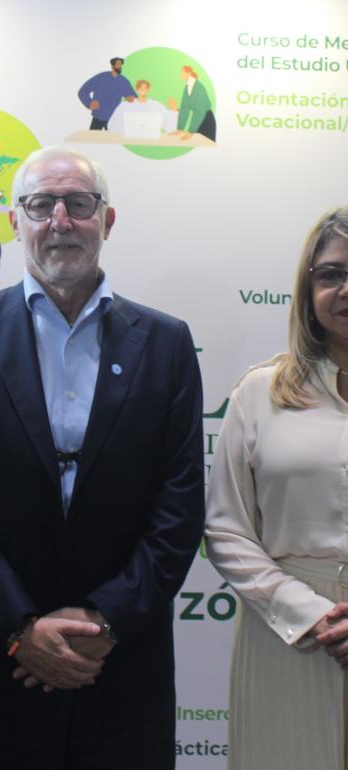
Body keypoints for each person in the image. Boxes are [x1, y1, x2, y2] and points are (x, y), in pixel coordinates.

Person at [0, 146, 204, 770]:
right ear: (17, 219)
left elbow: (180, 504)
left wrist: (104, 623)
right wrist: (21, 629)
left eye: (79, 204)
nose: (60, 220)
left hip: (121, 668)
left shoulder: (167, 343)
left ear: (107, 220)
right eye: (41, 204)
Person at [205, 208, 348, 770]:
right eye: (330, 273)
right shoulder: (260, 394)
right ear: (306, 286)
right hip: (291, 635)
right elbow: (225, 528)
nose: (344, 288)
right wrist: (308, 612)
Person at [78, 57, 136, 130]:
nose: (120, 66)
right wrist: (89, 103)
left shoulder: (123, 81)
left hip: (114, 119)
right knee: (92, 140)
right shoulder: (101, 78)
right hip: (98, 116)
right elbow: (83, 91)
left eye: (121, 65)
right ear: (112, 66)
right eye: (118, 64)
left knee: (114, 140)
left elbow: (134, 97)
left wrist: (131, 98)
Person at [107, 78, 178, 134]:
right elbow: (111, 125)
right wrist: (131, 128)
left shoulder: (157, 106)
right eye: (140, 88)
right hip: (129, 141)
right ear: (136, 89)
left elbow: (169, 128)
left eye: (144, 88)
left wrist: (174, 110)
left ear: (148, 89)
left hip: (152, 143)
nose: (142, 90)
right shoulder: (125, 105)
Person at [170, 65, 216, 142]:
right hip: (198, 121)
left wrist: (190, 132)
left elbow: (199, 111)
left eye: (182, 72)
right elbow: (185, 108)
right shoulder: (187, 87)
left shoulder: (199, 87)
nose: (181, 74)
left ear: (189, 73)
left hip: (206, 120)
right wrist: (180, 129)